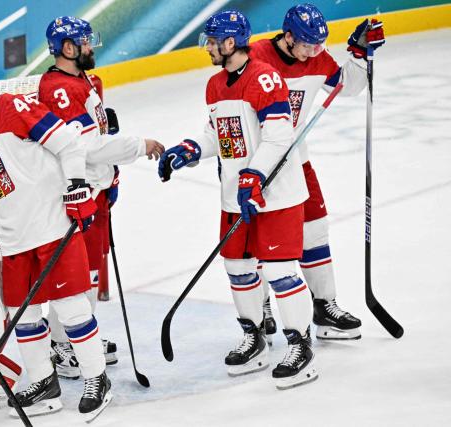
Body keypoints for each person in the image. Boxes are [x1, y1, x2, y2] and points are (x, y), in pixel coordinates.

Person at [0, 60, 112, 421]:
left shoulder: (13, 107)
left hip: (50, 227)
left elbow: (67, 143)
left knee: (71, 308)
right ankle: (45, 383)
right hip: (14, 237)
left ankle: (97, 378)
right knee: (23, 316)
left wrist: (77, 187)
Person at [158, 10, 317, 390]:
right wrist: (190, 149)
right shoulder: (215, 86)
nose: (208, 48)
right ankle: (255, 336)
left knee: (279, 271)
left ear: (230, 43)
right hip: (237, 196)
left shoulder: (264, 78)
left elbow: (279, 138)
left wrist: (255, 174)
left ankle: (301, 345)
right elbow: (220, 135)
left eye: (213, 41)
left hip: (274, 194)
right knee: (237, 268)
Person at [249, 3, 385, 340]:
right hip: (255, 163)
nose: (315, 52)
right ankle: (259, 306)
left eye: (320, 45)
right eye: (309, 44)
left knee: (316, 229)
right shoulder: (257, 57)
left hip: (296, 158)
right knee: (255, 238)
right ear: (289, 37)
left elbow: (349, 87)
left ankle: (324, 306)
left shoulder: (316, 57)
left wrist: (358, 53)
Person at [38, 15, 165, 379]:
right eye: (85, 42)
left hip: (95, 192)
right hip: (76, 196)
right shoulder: (59, 89)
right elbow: (87, 149)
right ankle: (63, 345)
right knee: (79, 276)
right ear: (68, 48)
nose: (91, 47)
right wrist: (139, 146)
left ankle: (77, 338)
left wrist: (110, 176)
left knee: (89, 273)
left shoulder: (80, 80)